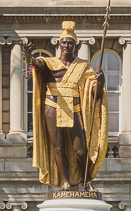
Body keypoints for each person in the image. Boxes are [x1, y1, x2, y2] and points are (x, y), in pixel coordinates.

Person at [27, 20, 109, 193]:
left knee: (80, 150)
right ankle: (65, 182)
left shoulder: (82, 66)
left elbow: (94, 92)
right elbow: (37, 65)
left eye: (70, 43)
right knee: (58, 148)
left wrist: (101, 81)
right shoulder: (49, 63)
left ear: (75, 46)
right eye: (64, 42)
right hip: (52, 107)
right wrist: (29, 56)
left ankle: (86, 181)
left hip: (74, 108)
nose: (66, 45)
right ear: (59, 44)